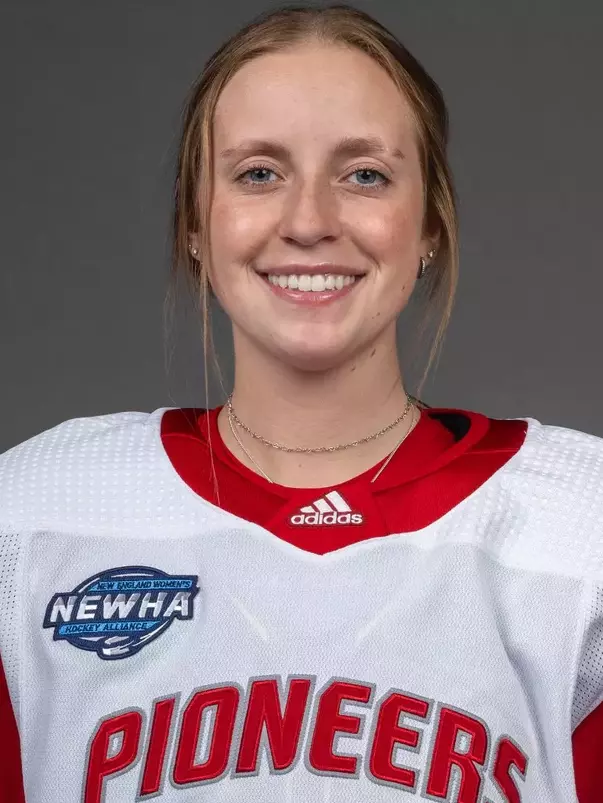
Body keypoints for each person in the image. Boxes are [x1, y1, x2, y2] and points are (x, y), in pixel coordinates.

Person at [0, 4, 601, 801]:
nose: (310, 221)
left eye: (364, 175)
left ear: (428, 223)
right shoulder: (34, 520)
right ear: (195, 224)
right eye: (258, 173)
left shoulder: (578, 530)